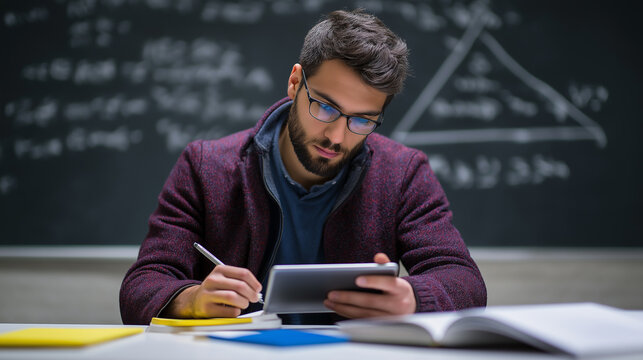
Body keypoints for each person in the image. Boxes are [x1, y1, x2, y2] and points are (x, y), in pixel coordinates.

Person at [120, 9, 486, 325]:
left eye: (362, 120)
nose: (338, 137)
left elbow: (464, 281)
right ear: (295, 82)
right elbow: (143, 283)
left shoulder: (403, 173)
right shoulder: (205, 166)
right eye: (325, 108)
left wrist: (413, 297)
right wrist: (191, 300)